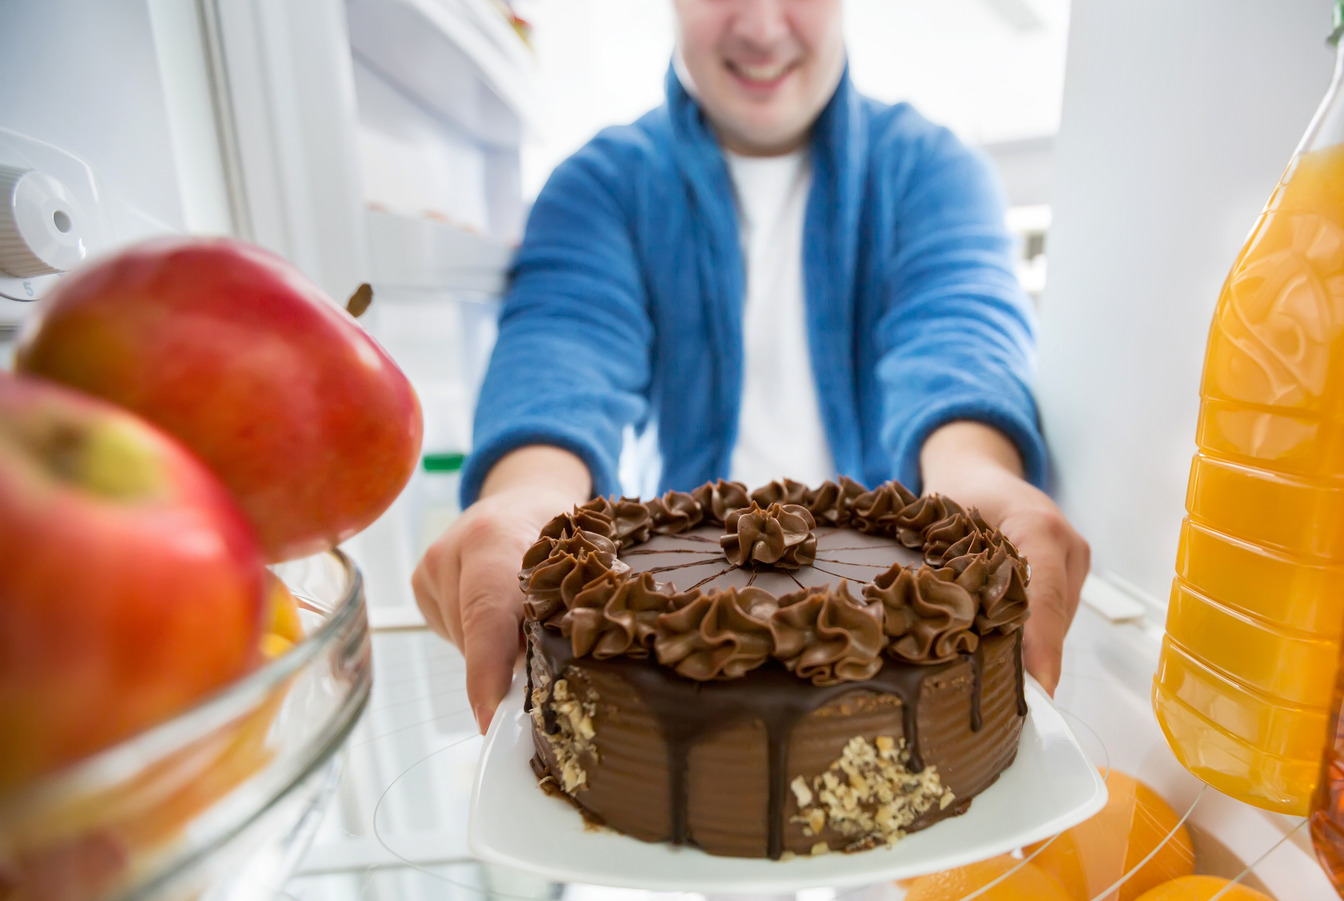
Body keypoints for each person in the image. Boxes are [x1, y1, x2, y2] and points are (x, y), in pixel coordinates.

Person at [413, 0, 1091, 734]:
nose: (762, 26)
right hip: (684, 671)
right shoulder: (600, 186)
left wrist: (976, 480)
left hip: (890, 680)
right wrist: (523, 502)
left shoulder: (933, 171)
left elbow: (958, 336)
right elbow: (563, 352)